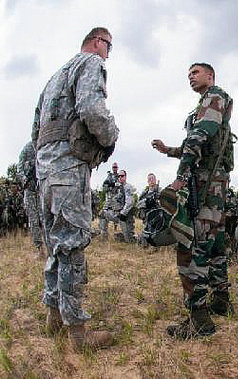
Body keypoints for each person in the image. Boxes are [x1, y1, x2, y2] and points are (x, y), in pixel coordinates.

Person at [31, 27, 118, 351]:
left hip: (46, 170)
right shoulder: (90, 64)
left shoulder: (54, 77)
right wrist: (111, 136)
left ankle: (54, 316)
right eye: (109, 47)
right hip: (68, 167)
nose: (109, 53)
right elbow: (93, 110)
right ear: (99, 42)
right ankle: (77, 333)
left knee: (57, 246)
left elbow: (34, 130)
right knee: (72, 247)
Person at [151, 62, 233, 338]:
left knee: (192, 244)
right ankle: (221, 299)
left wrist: (181, 175)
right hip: (215, 183)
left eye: (195, 72)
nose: (190, 76)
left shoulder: (214, 97)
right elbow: (199, 144)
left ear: (210, 75)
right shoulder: (209, 102)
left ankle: (199, 320)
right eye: (188, 74)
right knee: (215, 241)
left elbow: (199, 136)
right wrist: (170, 150)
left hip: (205, 182)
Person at [17, 141, 44, 256]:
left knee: (45, 218)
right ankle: (39, 249)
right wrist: (25, 181)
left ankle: (51, 248)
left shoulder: (45, 144)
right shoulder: (27, 148)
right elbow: (19, 169)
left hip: (43, 188)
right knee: (33, 220)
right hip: (30, 189)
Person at [136, 173, 161, 245]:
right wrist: (147, 201)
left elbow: (164, 202)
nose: (151, 180)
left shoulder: (160, 190)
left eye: (153, 178)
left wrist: (157, 200)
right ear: (147, 181)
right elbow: (138, 204)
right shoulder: (144, 192)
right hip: (147, 215)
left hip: (159, 214)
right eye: (149, 179)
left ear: (155, 180)